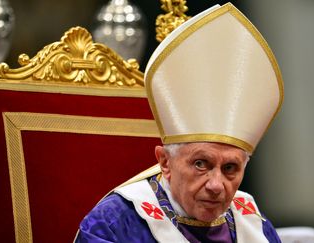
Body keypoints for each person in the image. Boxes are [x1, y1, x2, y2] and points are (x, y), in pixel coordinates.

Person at [75, 3, 283, 242]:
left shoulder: (254, 225)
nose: (216, 185)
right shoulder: (115, 223)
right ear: (165, 162)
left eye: (230, 169)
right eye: (201, 164)